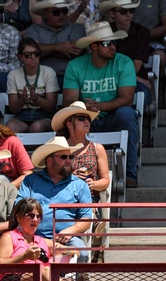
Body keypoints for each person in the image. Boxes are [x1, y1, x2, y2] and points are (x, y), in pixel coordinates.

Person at [63, 21, 140, 187]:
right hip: (87, 119)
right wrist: (85, 109)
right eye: (106, 43)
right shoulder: (75, 66)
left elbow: (127, 98)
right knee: (66, 119)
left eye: (113, 42)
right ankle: (63, 175)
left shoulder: (124, 62)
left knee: (127, 113)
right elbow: (68, 101)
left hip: (113, 117)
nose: (112, 47)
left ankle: (130, 174)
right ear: (93, 46)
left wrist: (99, 107)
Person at [16, 136, 94, 259]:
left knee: (83, 254)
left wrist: (70, 231)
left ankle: (79, 279)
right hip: (32, 237)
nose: (69, 160)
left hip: (67, 239)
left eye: (70, 157)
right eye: (63, 157)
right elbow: (20, 209)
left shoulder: (80, 185)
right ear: (49, 161)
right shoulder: (30, 181)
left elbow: (86, 219)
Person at [0, 197, 66, 281]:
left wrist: (66, 251)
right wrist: (24, 257)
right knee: (44, 271)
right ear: (18, 218)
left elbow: (73, 251)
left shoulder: (42, 241)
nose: (35, 220)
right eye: (31, 215)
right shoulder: (9, 237)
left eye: (38, 216)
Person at [53, 101, 110, 205]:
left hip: (88, 199)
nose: (86, 121)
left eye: (88, 119)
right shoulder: (59, 149)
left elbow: (106, 180)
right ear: (69, 124)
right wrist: (72, 177)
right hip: (63, 197)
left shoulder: (97, 148)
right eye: (81, 118)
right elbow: (52, 178)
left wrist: (93, 184)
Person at [6, 36, 59, 133]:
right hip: (21, 116)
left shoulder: (48, 72)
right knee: (10, 127)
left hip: (44, 116)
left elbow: (51, 106)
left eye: (36, 54)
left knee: (36, 127)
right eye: (28, 55)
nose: (33, 58)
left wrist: (37, 99)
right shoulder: (13, 75)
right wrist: (22, 99)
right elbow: (13, 108)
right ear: (20, 56)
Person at [24, 0, 85, 84]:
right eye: (56, 12)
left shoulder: (77, 28)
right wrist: (58, 47)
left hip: (70, 76)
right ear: (45, 13)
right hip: (41, 78)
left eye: (64, 11)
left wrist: (42, 51)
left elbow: (74, 51)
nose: (61, 15)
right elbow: (30, 53)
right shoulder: (34, 29)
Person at [101, 0, 152, 99]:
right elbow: (99, 66)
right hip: (108, 82)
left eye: (131, 10)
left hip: (130, 81)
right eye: (123, 11)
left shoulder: (142, 32)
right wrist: (139, 79)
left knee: (142, 93)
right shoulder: (104, 33)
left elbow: (134, 68)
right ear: (112, 13)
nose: (128, 15)